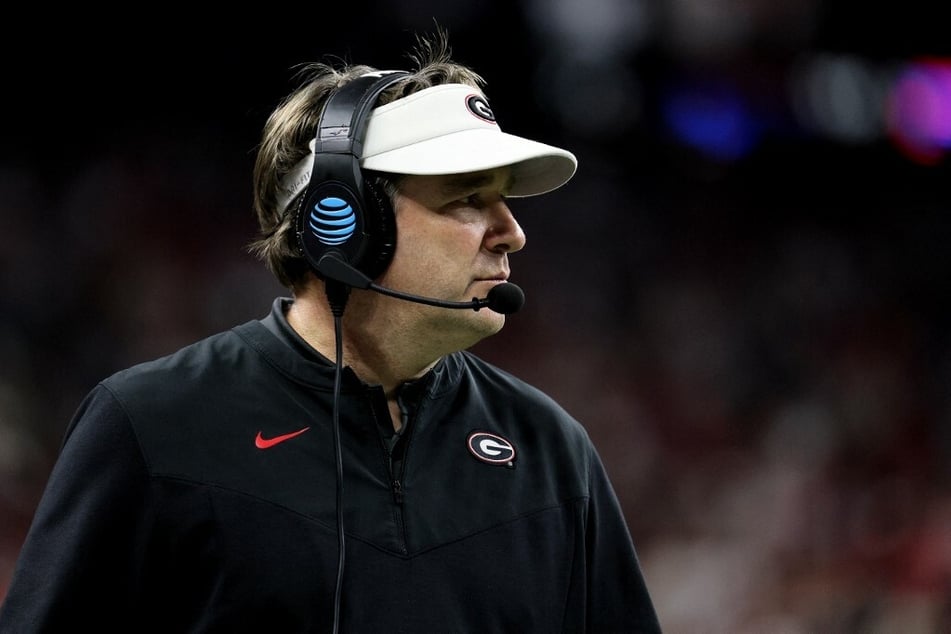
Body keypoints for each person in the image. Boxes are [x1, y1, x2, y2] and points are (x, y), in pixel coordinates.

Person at [0, 30, 661, 633]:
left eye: (504, 200)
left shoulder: (549, 451)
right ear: (341, 220)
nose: (511, 231)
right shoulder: (150, 424)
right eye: (465, 197)